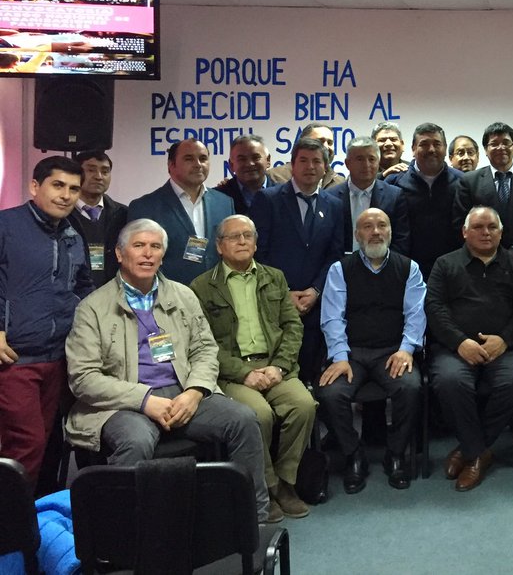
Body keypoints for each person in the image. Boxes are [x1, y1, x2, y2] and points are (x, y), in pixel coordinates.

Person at [65, 219, 270, 522]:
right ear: (120, 255)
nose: (147, 254)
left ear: (162, 255)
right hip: (124, 403)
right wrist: (145, 400)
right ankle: (123, 537)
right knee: (135, 441)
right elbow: (83, 378)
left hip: (183, 392)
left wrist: (196, 391)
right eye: (139, 246)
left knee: (243, 419)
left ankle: (252, 521)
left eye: (155, 246)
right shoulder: (92, 308)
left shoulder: (183, 296)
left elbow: (204, 350)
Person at [191, 214, 316, 519]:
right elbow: (203, 344)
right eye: (234, 237)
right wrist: (243, 373)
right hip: (234, 373)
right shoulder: (201, 287)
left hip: (275, 366)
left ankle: (287, 482)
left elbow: (292, 326)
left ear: (256, 243)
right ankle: (266, 487)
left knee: (304, 406)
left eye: (248, 236)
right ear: (219, 247)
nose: (242, 241)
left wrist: (279, 367)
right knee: (256, 415)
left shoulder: (275, 277)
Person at [425, 207, 513, 491]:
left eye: (492, 227)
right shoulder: (445, 264)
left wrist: (505, 340)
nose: (485, 232)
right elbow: (435, 308)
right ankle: (479, 453)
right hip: (455, 347)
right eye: (478, 227)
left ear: (501, 232)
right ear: (464, 232)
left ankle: (470, 449)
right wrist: (460, 342)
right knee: (450, 382)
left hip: (504, 347)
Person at [317, 208, 426, 493]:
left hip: (392, 352)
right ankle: (354, 455)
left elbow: (416, 314)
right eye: (367, 226)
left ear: (391, 232)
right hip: (352, 354)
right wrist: (340, 357)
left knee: (410, 388)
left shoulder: (409, 267)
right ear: (357, 235)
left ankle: (396, 453)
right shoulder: (340, 269)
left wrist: (406, 350)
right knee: (330, 394)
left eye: (381, 226)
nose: (375, 231)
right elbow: (332, 317)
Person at [0, 156, 92, 487]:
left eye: (73, 189)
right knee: (25, 444)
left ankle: (32, 521)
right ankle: (12, 529)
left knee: (47, 444)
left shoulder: (72, 235)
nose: (66, 195)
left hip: (57, 358)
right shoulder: (7, 225)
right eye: (58, 185)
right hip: (14, 359)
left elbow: (83, 287)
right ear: (35, 186)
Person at [250, 136, 346, 381]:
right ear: (292, 165)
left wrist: (316, 290)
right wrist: (286, 292)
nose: (310, 166)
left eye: (316, 161)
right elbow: (259, 253)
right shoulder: (268, 199)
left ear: (325, 167)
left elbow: (335, 256)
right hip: (276, 302)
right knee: (279, 373)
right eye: (303, 160)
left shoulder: (335, 205)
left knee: (312, 372)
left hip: (316, 304)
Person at [127, 139, 234, 284]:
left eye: (203, 158)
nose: (198, 164)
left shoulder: (224, 203)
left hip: (218, 296)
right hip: (169, 299)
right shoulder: (145, 207)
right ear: (171, 165)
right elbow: (139, 261)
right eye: (189, 159)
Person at [453, 122, 513, 261]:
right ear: (485, 150)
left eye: (506, 143)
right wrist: (484, 250)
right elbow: (460, 222)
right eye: (494, 144)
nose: (501, 147)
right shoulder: (469, 181)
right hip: (480, 259)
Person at [390, 123, 462, 279]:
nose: (431, 150)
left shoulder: (463, 183)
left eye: (437, 144)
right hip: (406, 271)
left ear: (445, 148)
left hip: (453, 271)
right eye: (424, 144)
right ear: (413, 149)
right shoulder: (394, 183)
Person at [326, 137, 410, 254]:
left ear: (378, 161)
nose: (366, 164)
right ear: (347, 163)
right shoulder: (330, 197)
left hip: (383, 268)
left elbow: (401, 241)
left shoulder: (394, 196)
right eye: (359, 159)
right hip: (340, 268)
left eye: (371, 159)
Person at [69, 149, 128, 288]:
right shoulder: (61, 215)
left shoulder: (123, 214)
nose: (99, 176)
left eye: (105, 171)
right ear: (77, 174)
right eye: (91, 170)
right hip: (71, 295)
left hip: (113, 295)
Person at [268, 124, 345, 189]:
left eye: (330, 142)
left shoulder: (341, 183)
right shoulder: (275, 176)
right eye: (320, 141)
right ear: (303, 143)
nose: (326, 146)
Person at [215, 134, 274, 215]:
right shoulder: (217, 197)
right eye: (242, 159)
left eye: (255, 157)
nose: (249, 164)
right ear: (231, 165)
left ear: (268, 160)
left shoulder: (285, 195)